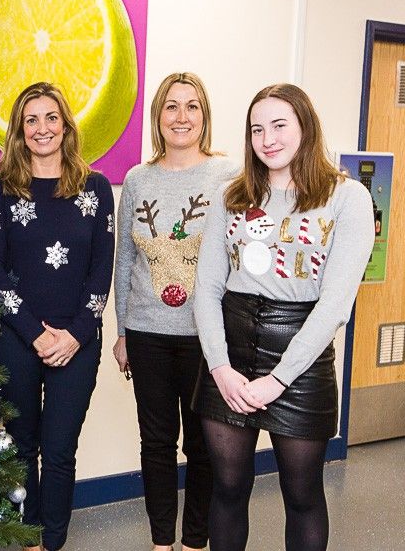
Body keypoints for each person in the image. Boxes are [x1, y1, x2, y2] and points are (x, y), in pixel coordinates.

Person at [193, 83, 373, 551]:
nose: (267, 138)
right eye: (257, 129)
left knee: (302, 494)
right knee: (228, 488)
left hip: (301, 359)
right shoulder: (230, 195)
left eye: (279, 125)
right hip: (229, 354)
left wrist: (278, 380)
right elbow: (207, 288)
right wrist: (220, 369)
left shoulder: (346, 198)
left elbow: (334, 305)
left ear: (304, 126)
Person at [0, 82, 114, 551]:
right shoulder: (0, 190)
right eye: (31, 120)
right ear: (19, 130)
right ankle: (29, 540)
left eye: (50, 118)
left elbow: (102, 271)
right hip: (17, 338)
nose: (42, 128)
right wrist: (35, 334)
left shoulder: (94, 188)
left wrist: (75, 335)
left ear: (65, 124)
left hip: (79, 339)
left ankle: (52, 543)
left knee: (59, 452)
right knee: (20, 447)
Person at [113, 72, 237, 551]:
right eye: (171, 106)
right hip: (146, 334)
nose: (181, 116)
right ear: (157, 117)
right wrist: (121, 331)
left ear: (204, 117)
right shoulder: (139, 179)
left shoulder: (227, 176)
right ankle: (161, 542)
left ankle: (194, 541)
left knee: (203, 446)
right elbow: (125, 259)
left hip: (208, 337)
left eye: (192, 106)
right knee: (157, 444)